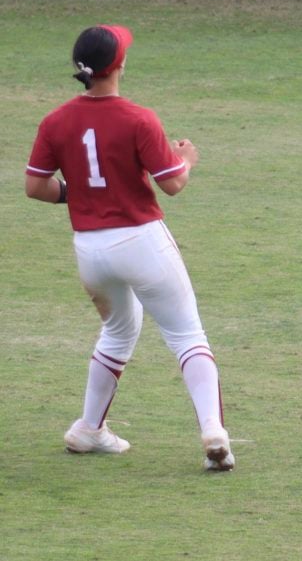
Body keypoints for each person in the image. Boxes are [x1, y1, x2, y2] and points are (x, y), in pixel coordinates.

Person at [25, 24, 234, 471]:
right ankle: (214, 432)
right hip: (141, 241)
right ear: (118, 65)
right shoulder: (139, 118)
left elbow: (35, 186)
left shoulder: (55, 121)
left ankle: (88, 429)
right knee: (186, 334)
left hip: (90, 251)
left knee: (119, 330)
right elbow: (173, 183)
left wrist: (76, 194)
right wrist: (188, 159)